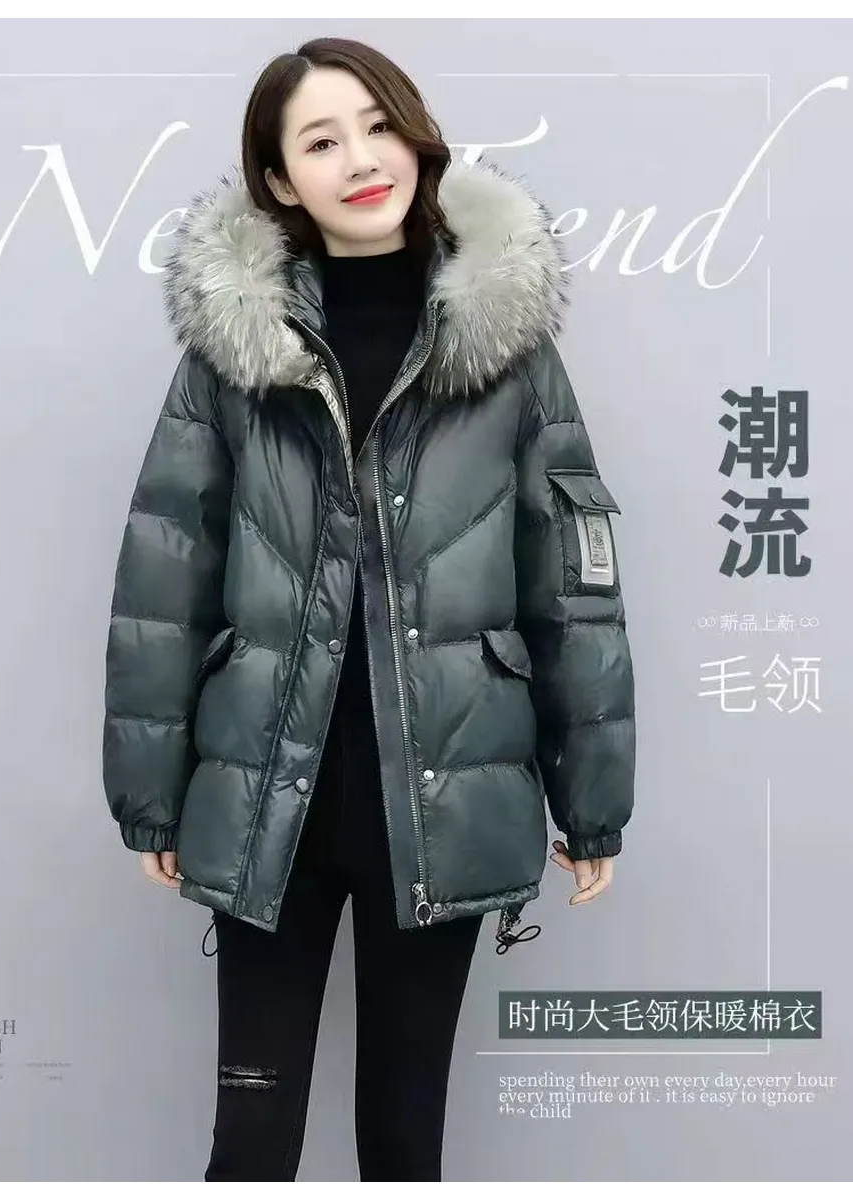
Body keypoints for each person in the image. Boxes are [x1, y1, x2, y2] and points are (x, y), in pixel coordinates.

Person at [101, 35, 636, 1185]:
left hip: (443, 792)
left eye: (379, 124)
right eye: (321, 140)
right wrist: (149, 796)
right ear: (280, 180)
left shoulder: (509, 348)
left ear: (416, 135)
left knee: (403, 1147)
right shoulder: (235, 352)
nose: (360, 157)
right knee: (251, 1145)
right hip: (267, 796)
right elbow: (165, 569)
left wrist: (593, 804)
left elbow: (572, 583)